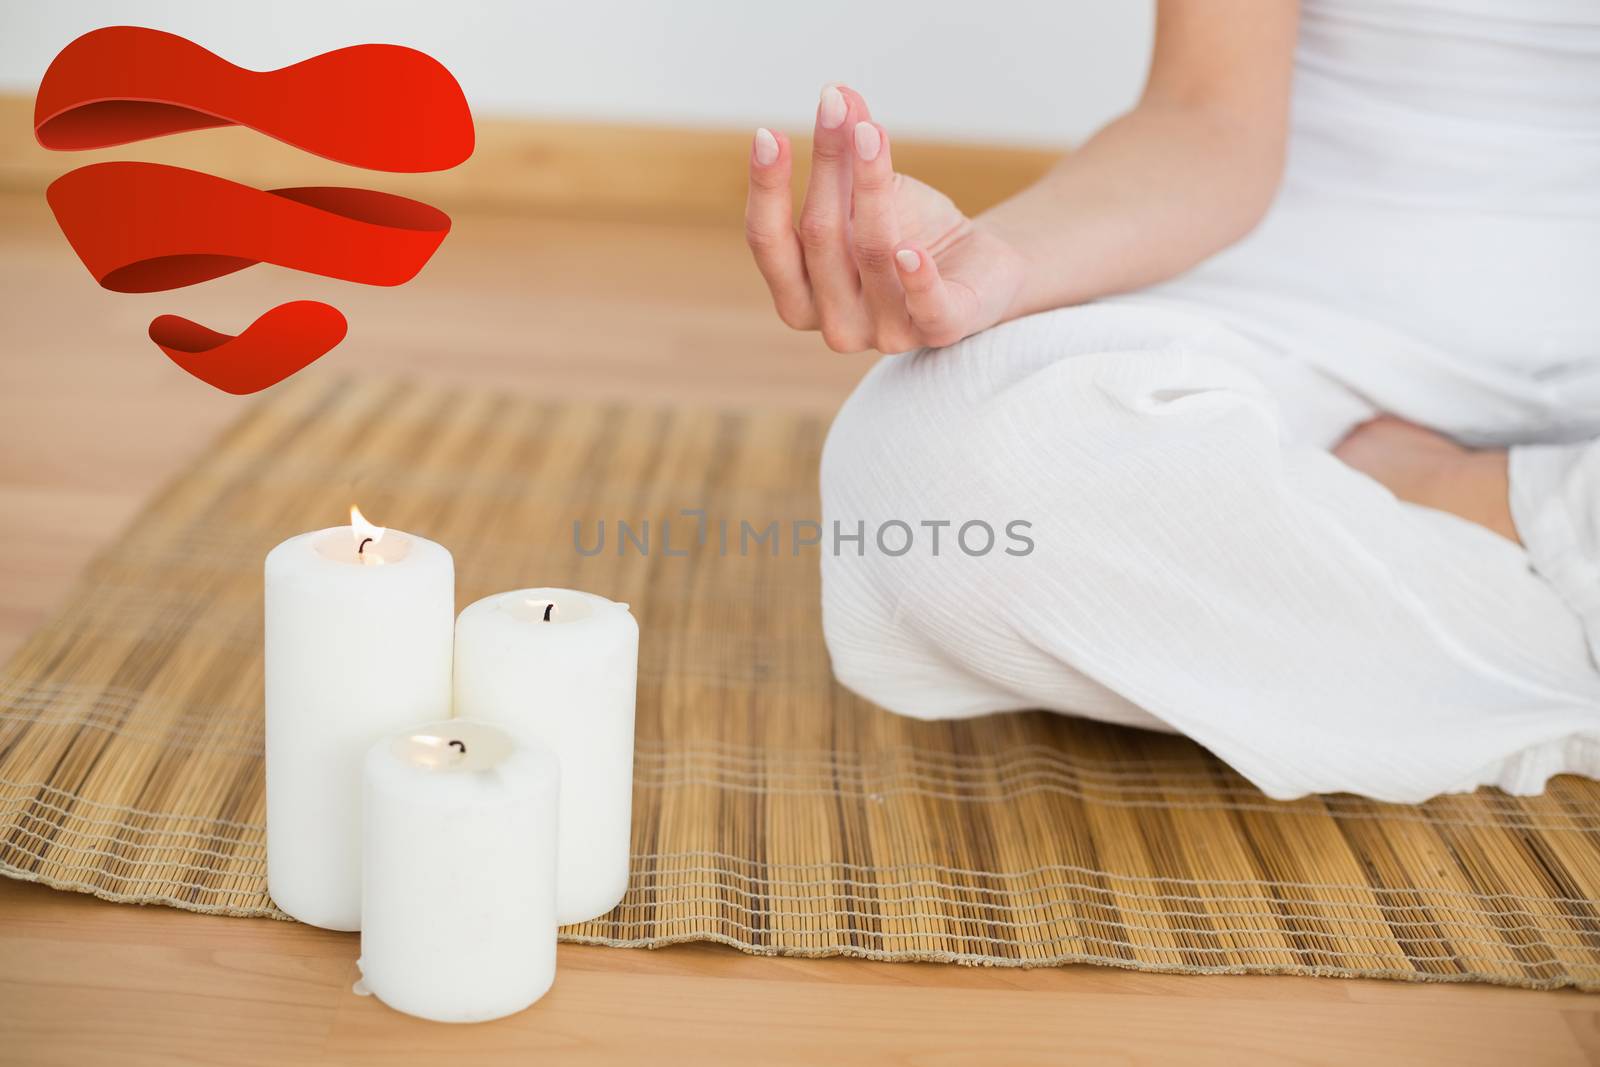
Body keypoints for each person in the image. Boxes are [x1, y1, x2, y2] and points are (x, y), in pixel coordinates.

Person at [741, 0, 1600, 802]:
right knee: (926, 475)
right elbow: (1206, 114)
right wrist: (993, 257)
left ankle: (1483, 508)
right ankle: (1546, 570)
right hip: (1303, 303)